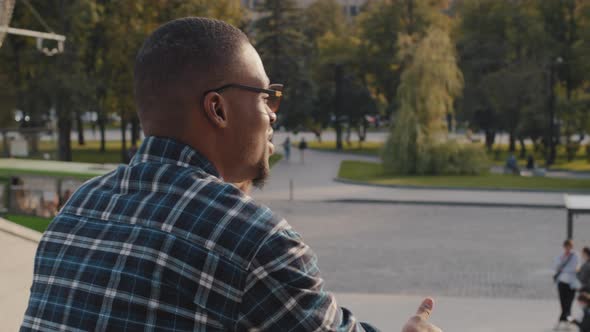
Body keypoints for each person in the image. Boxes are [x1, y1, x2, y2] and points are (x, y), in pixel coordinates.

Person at [20, 18, 441, 332]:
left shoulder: (79, 207)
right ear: (218, 109)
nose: (274, 112)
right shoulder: (255, 241)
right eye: (266, 95)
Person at [555, 239, 580, 331]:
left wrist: (564, 269)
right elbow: (556, 265)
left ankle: (564, 320)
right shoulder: (561, 256)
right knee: (563, 303)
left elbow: (574, 267)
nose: (567, 249)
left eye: (569, 247)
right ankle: (565, 320)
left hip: (571, 283)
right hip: (562, 282)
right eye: (566, 247)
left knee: (568, 303)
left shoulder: (575, 256)